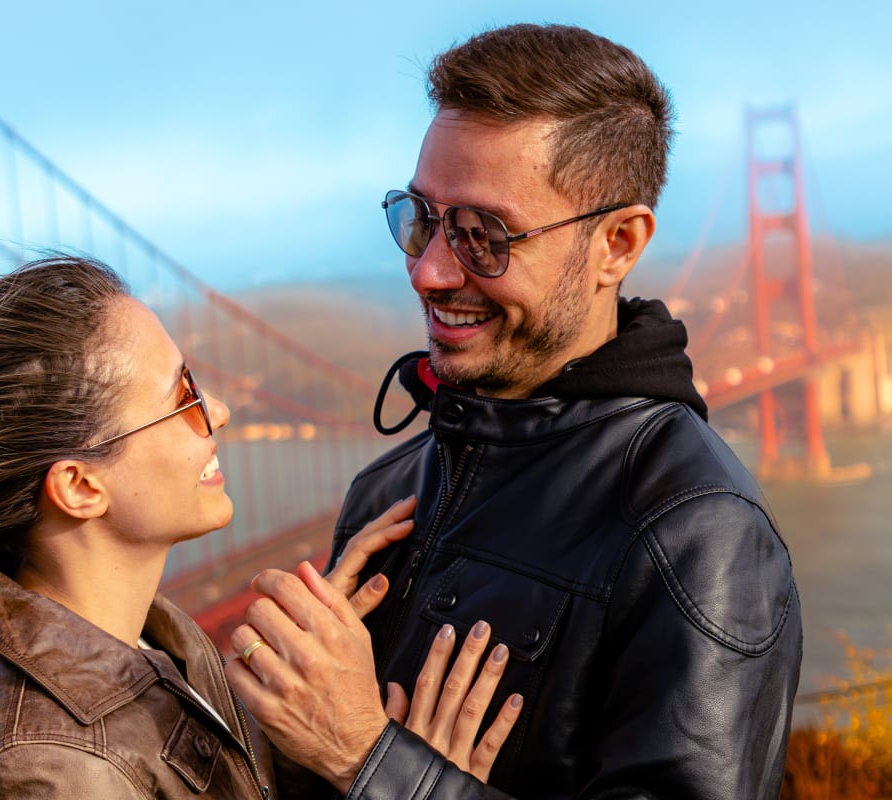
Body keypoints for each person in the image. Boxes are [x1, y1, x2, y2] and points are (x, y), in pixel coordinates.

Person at [0, 256, 519, 798]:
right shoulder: (47, 775)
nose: (219, 412)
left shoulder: (165, 645)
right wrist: (399, 782)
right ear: (81, 486)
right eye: (183, 399)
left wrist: (318, 738)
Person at [226, 23, 802, 800]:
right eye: (423, 219)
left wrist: (368, 758)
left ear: (618, 244)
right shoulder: (385, 494)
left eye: (484, 236)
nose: (429, 272)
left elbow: (356, 755)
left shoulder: (698, 536)